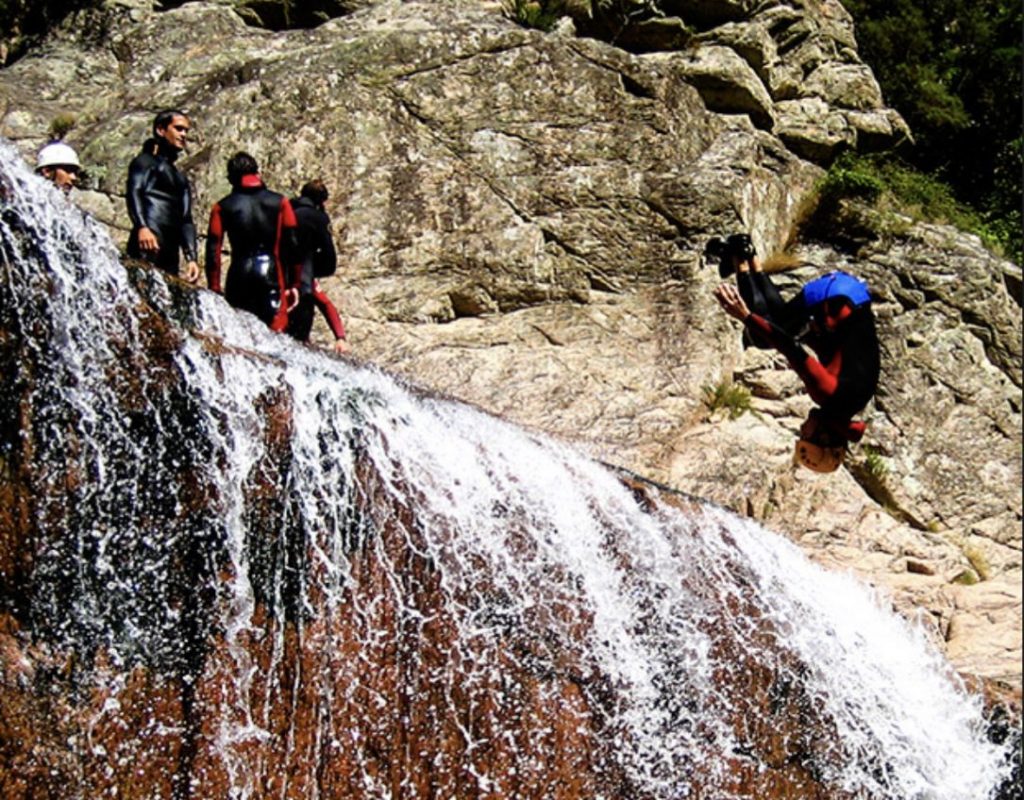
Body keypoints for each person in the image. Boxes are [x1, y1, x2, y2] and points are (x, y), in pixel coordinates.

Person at [710, 234, 881, 473]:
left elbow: (844, 354)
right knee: (761, 337)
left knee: (780, 322)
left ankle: (750, 256)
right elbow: (790, 348)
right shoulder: (827, 395)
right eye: (805, 434)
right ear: (822, 435)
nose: (802, 428)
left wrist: (809, 334)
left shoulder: (853, 403)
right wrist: (744, 315)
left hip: (849, 296)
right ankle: (739, 256)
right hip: (834, 299)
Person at [204, 151, 300, 331]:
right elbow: (294, 245)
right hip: (270, 272)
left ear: (232, 179)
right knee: (275, 333)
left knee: (240, 333)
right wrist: (295, 284)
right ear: (258, 173)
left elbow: (213, 250)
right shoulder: (280, 202)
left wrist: (214, 286)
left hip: (238, 274)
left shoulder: (221, 207)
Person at [125, 109, 200, 283]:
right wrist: (142, 227)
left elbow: (186, 219)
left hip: (171, 250)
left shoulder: (180, 177)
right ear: (161, 130)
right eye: (179, 129)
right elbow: (134, 192)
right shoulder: (144, 162)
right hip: (147, 241)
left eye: (186, 131)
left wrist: (192, 257)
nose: (183, 135)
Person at [286, 179, 349, 354]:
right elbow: (326, 303)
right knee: (299, 343)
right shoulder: (319, 218)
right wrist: (340, 337)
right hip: (303, 286)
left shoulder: (287, 211)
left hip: (274, 278)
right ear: (322, 201)